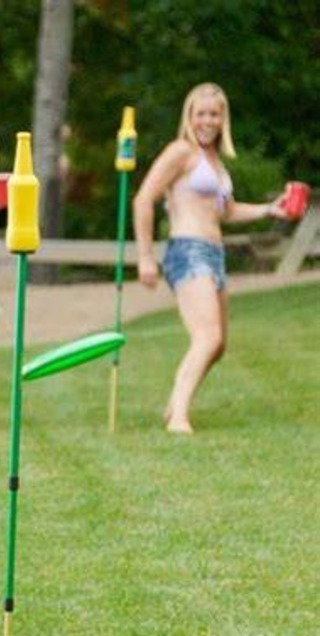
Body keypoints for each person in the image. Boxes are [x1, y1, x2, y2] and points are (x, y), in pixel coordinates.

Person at [133, 82, 288, 433]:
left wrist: (269, 209)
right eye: (200, 113)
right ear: (190, 116)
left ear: (223, 119)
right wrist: (145, 256)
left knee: (218, 345)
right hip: (187, 250)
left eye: (214, 114)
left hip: (214, 254)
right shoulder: (180, 152)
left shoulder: (214, 161)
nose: (207, 120)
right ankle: (178, 416)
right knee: (208, 338)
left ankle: (175, 404)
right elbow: (144, 199)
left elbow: (227, 211)